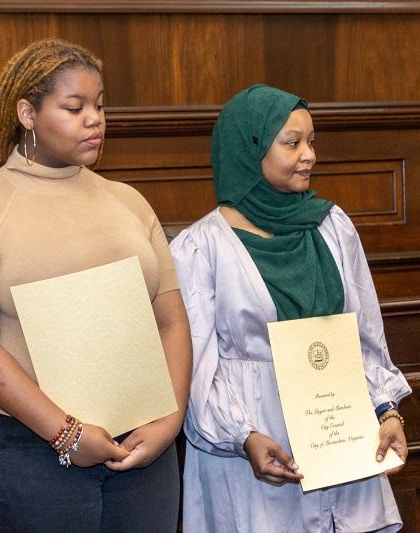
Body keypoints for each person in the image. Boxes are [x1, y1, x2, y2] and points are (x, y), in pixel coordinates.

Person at [0, 39, 192, 532]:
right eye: (74, 108)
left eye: (99, 106)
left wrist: (169, 419)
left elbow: (172, 321)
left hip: (144, 436)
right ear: (27, 113)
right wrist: (67, 434)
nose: (93, 119)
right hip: (28, 442)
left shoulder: (129, 201)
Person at [170, 83, 411, 532]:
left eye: (312, 141)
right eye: (292, 142)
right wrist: (242, 436)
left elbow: (366, 335)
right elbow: (197, 369)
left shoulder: (332, 227)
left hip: (340, 443)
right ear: (250, 148)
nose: (309, 155)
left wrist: (387, 410)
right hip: (251, 456)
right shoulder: (201, 249)